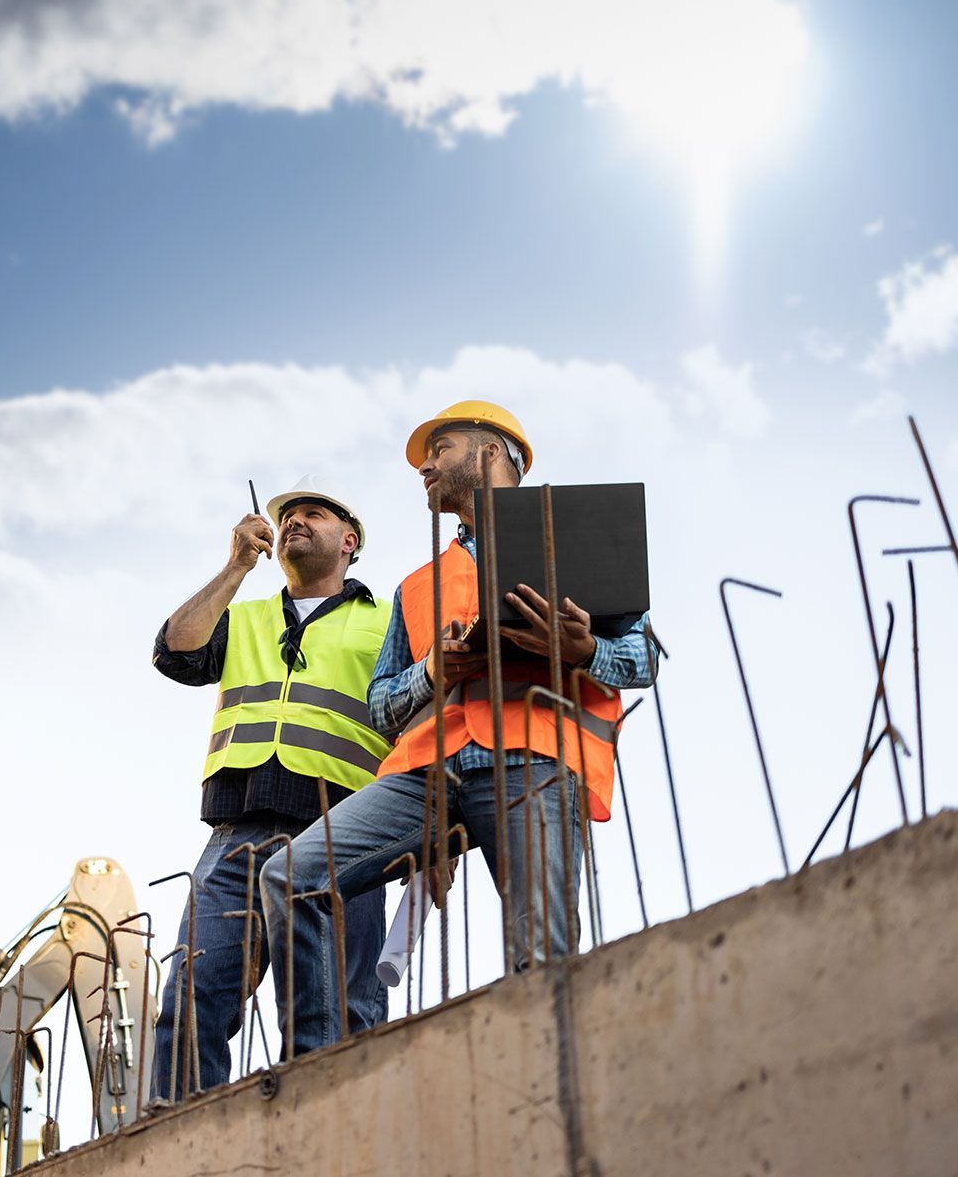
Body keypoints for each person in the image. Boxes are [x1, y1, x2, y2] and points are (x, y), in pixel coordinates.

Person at [260, 401, 656, 1057]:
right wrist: (433, 672)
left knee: (541, 962)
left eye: (441, 447)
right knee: (287, 876)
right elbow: (384, 705)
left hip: (535, 763)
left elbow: (645, 659)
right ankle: (313, 1066)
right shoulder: (419, 584)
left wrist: (582, 650)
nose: (425, 464)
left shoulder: (576, 538)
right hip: (430, 777)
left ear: (494, 452)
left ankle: (548, 1085)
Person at [149, 475, 391, 1100]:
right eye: (288, 515)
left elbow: (419, 715)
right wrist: (235, 567)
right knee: (191, 1001)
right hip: (238, 834)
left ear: (350, 541)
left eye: (315, 513)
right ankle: (181, 1144)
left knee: (338, 1013)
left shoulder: (387, 622)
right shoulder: (244, 617)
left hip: (344, 831)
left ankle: (335, 1140)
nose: (296, 522)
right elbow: (175, 652)